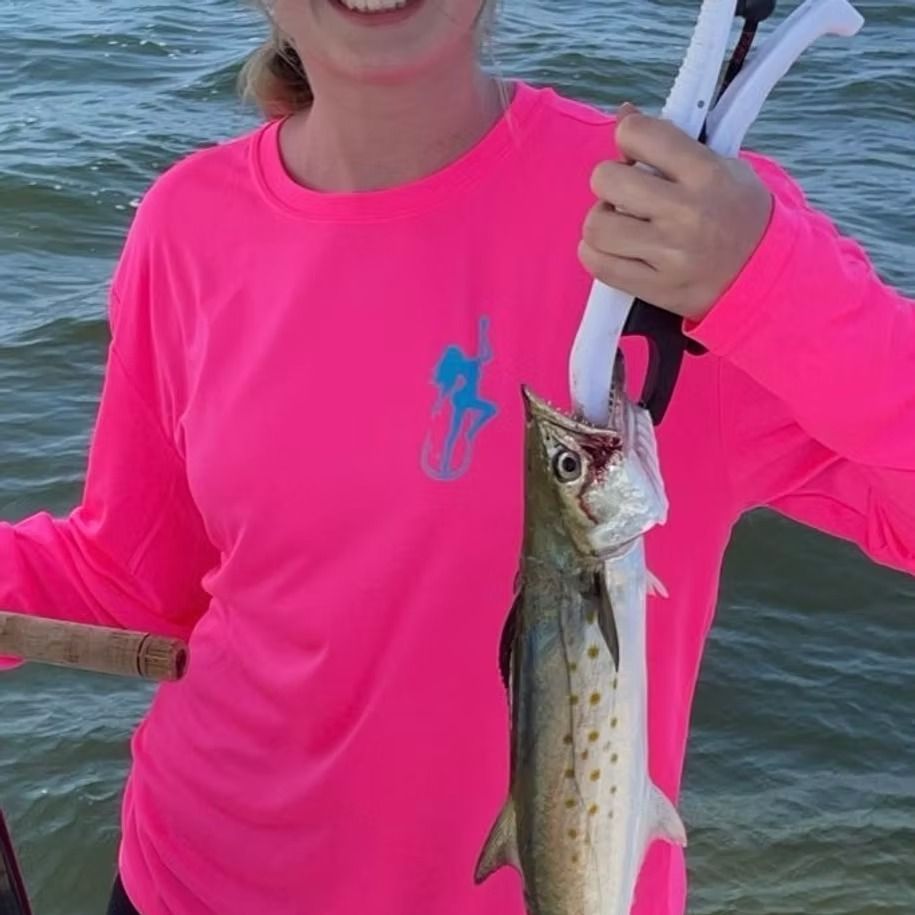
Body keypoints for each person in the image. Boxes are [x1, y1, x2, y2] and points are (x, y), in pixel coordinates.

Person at [1, 0, 912, 913]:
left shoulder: (673, 234)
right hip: (189, 882)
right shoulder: (185, 223)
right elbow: (130, 572)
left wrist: (769, 281)